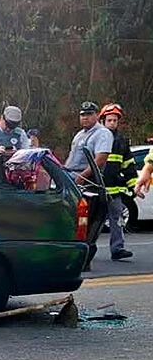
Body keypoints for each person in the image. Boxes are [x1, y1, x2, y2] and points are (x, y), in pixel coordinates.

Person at [66, 101, 115, 270]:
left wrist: (81, 177)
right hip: (74, 180)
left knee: (87, 226)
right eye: (82, 115)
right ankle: (76, 259)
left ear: (96, 116)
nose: (84, 118)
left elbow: (100, 160)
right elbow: (71, 159)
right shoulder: (80, 134)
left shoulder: (103, 133)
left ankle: (84, 261)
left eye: (88, 115)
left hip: (90, 184)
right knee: (75, 224)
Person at [99, 103, 136, 261]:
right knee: (91, 222)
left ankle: (117, 249)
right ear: (102, 121)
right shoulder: (97, 137)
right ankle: (84, 250)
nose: (113, 123)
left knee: (117, 220)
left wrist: (134, 185)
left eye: (115, 120)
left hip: (114, 190)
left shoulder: (121, 142)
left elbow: (129, 166)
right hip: (96, 188)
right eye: (109, 120)